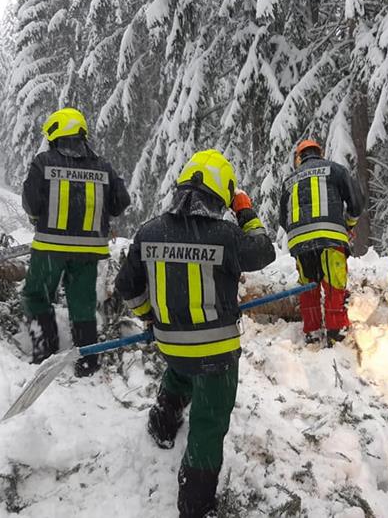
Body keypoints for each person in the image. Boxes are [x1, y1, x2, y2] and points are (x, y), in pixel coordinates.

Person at [114, 149, 275, 518]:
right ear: (221, 194)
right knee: (208, 422)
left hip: (171, 345)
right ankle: (195, 505)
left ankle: (162, 424)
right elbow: (264, 251)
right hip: (217, 352)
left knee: (180, 370)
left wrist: (149, 317)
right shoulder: (227, 236)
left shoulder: (150, 231)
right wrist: (245, 210)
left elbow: (127, 286)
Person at [22, 107, 131, 376]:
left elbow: (31, 202)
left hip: (50, 246)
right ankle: (87, 362)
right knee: (82, 304)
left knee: (37, 296)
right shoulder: (104, 166)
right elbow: (121, 203)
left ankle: (44, 353)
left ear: (57, 134)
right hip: (88, 251)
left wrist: (39, 217)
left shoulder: (43, 162)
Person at [278, 139, 364, 347]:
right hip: (330, 237)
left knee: (309, 286)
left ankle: (313, 331)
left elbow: (283, 218)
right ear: (320, 153)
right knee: (335, 284)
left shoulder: (289, 181)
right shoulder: (335, 171)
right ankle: (336, 331)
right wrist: (349, 225)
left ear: (299, 158)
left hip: (300, 242)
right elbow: (356, 202)